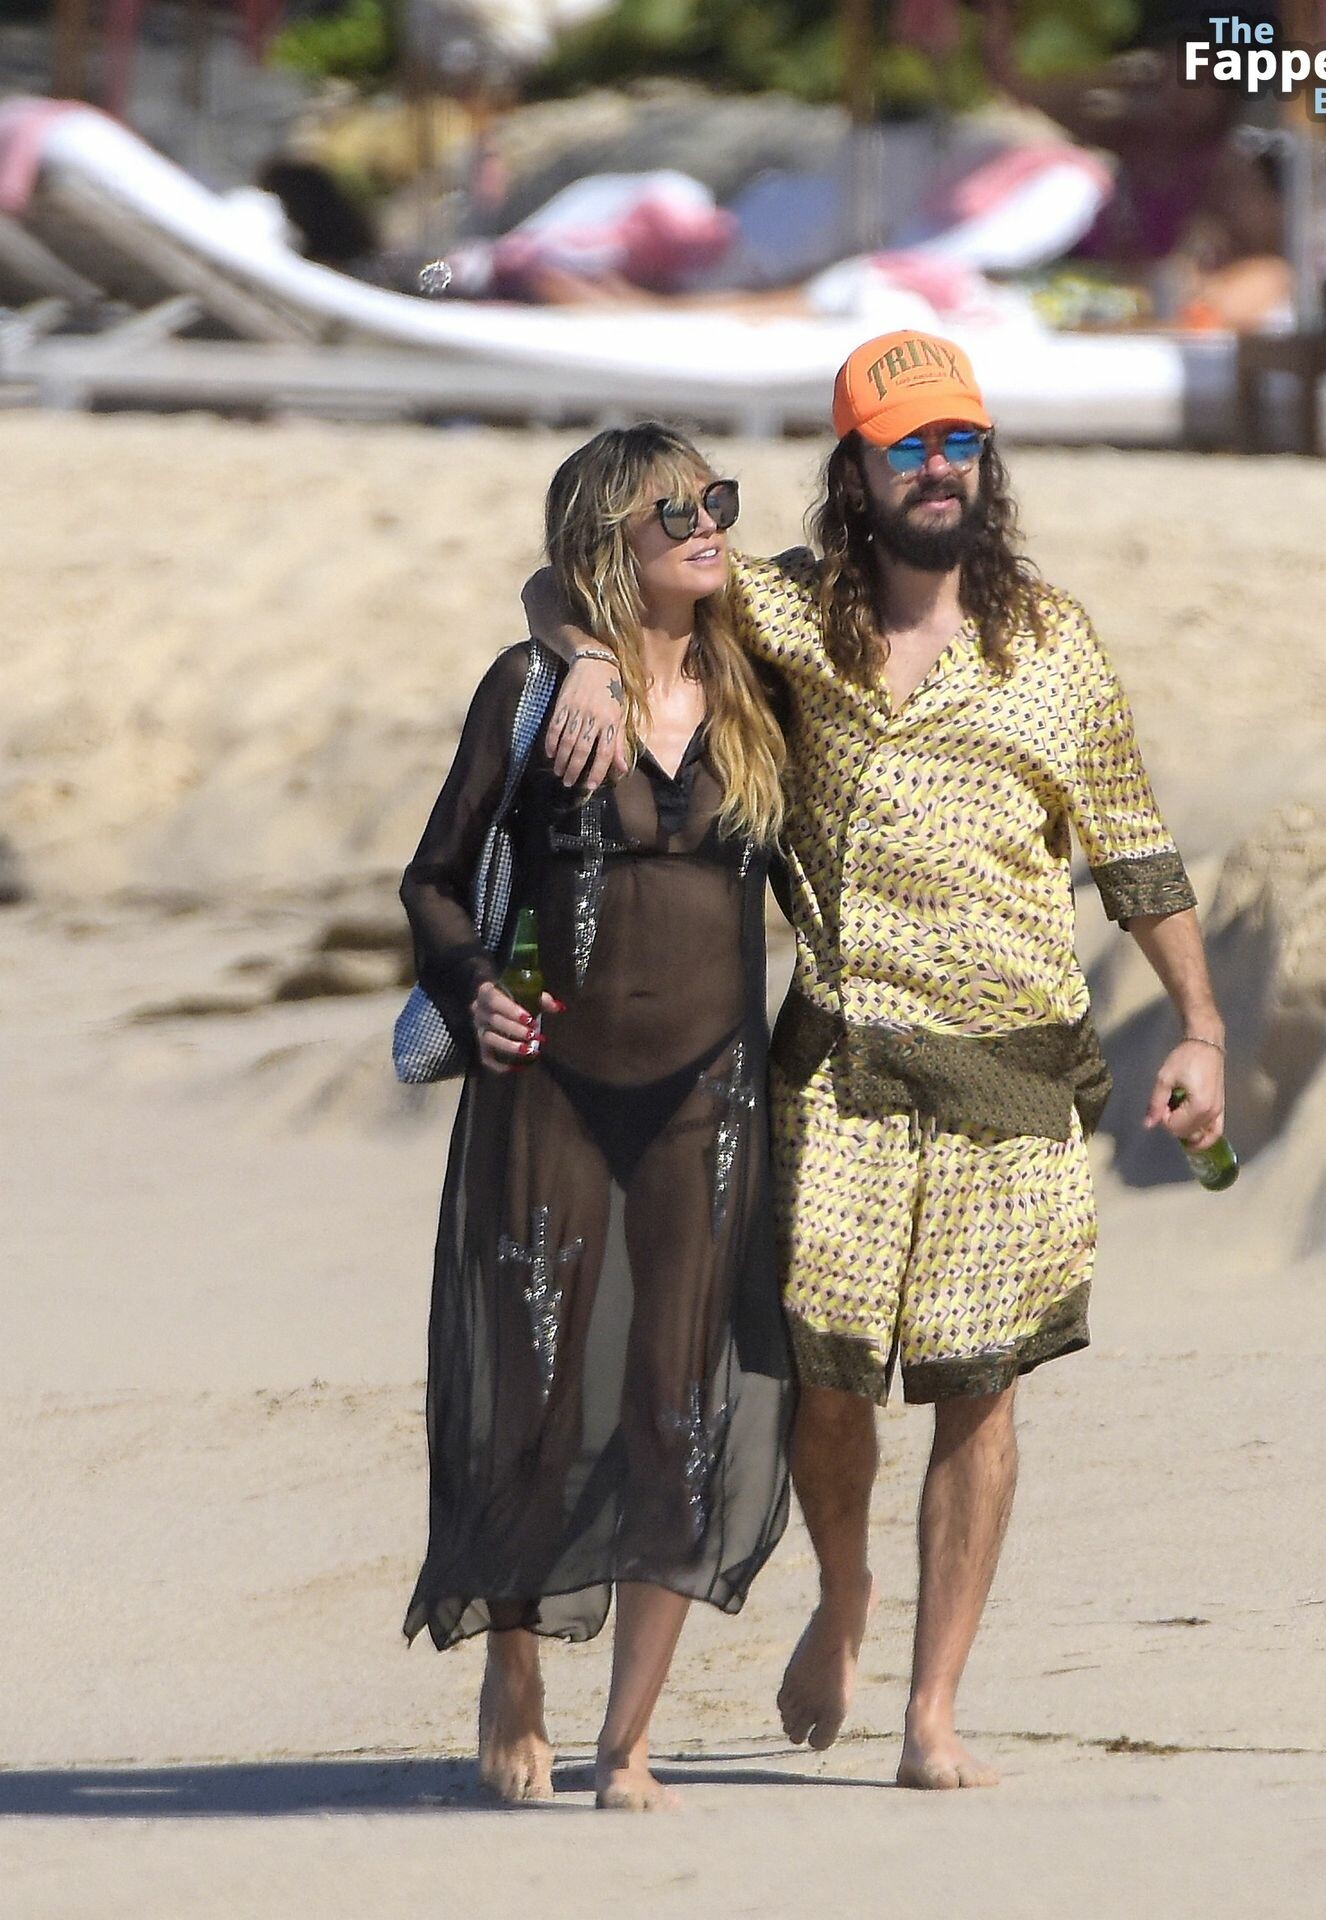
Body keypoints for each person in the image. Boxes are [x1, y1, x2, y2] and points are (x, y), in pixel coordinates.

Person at [525, 330, 1228, 1793]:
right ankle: (843, 1591)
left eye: (959, 441)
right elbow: (579, 576)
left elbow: (1135, 846)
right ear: (853, 470)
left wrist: (1201, 1028)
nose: (938, 468)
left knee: (981, 1390)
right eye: (906, 446)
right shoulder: (782, 613)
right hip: (839, 1066)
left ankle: (932, 1709)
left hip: (1014, 1077)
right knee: (828, 1381)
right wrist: (584, 661)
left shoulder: (1055, 643)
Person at [399, 424, 793, 1811]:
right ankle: (513, 1667)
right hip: (548, 1086)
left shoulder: (760, 680)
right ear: (605, 544)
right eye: (673, 511)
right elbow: (433, 878)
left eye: (716, 499)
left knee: (680, 1401)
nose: (709, 524)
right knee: (534, 1385)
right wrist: (470, 989)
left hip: (710, 1092)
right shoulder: (531, 690)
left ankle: (627, 1739)